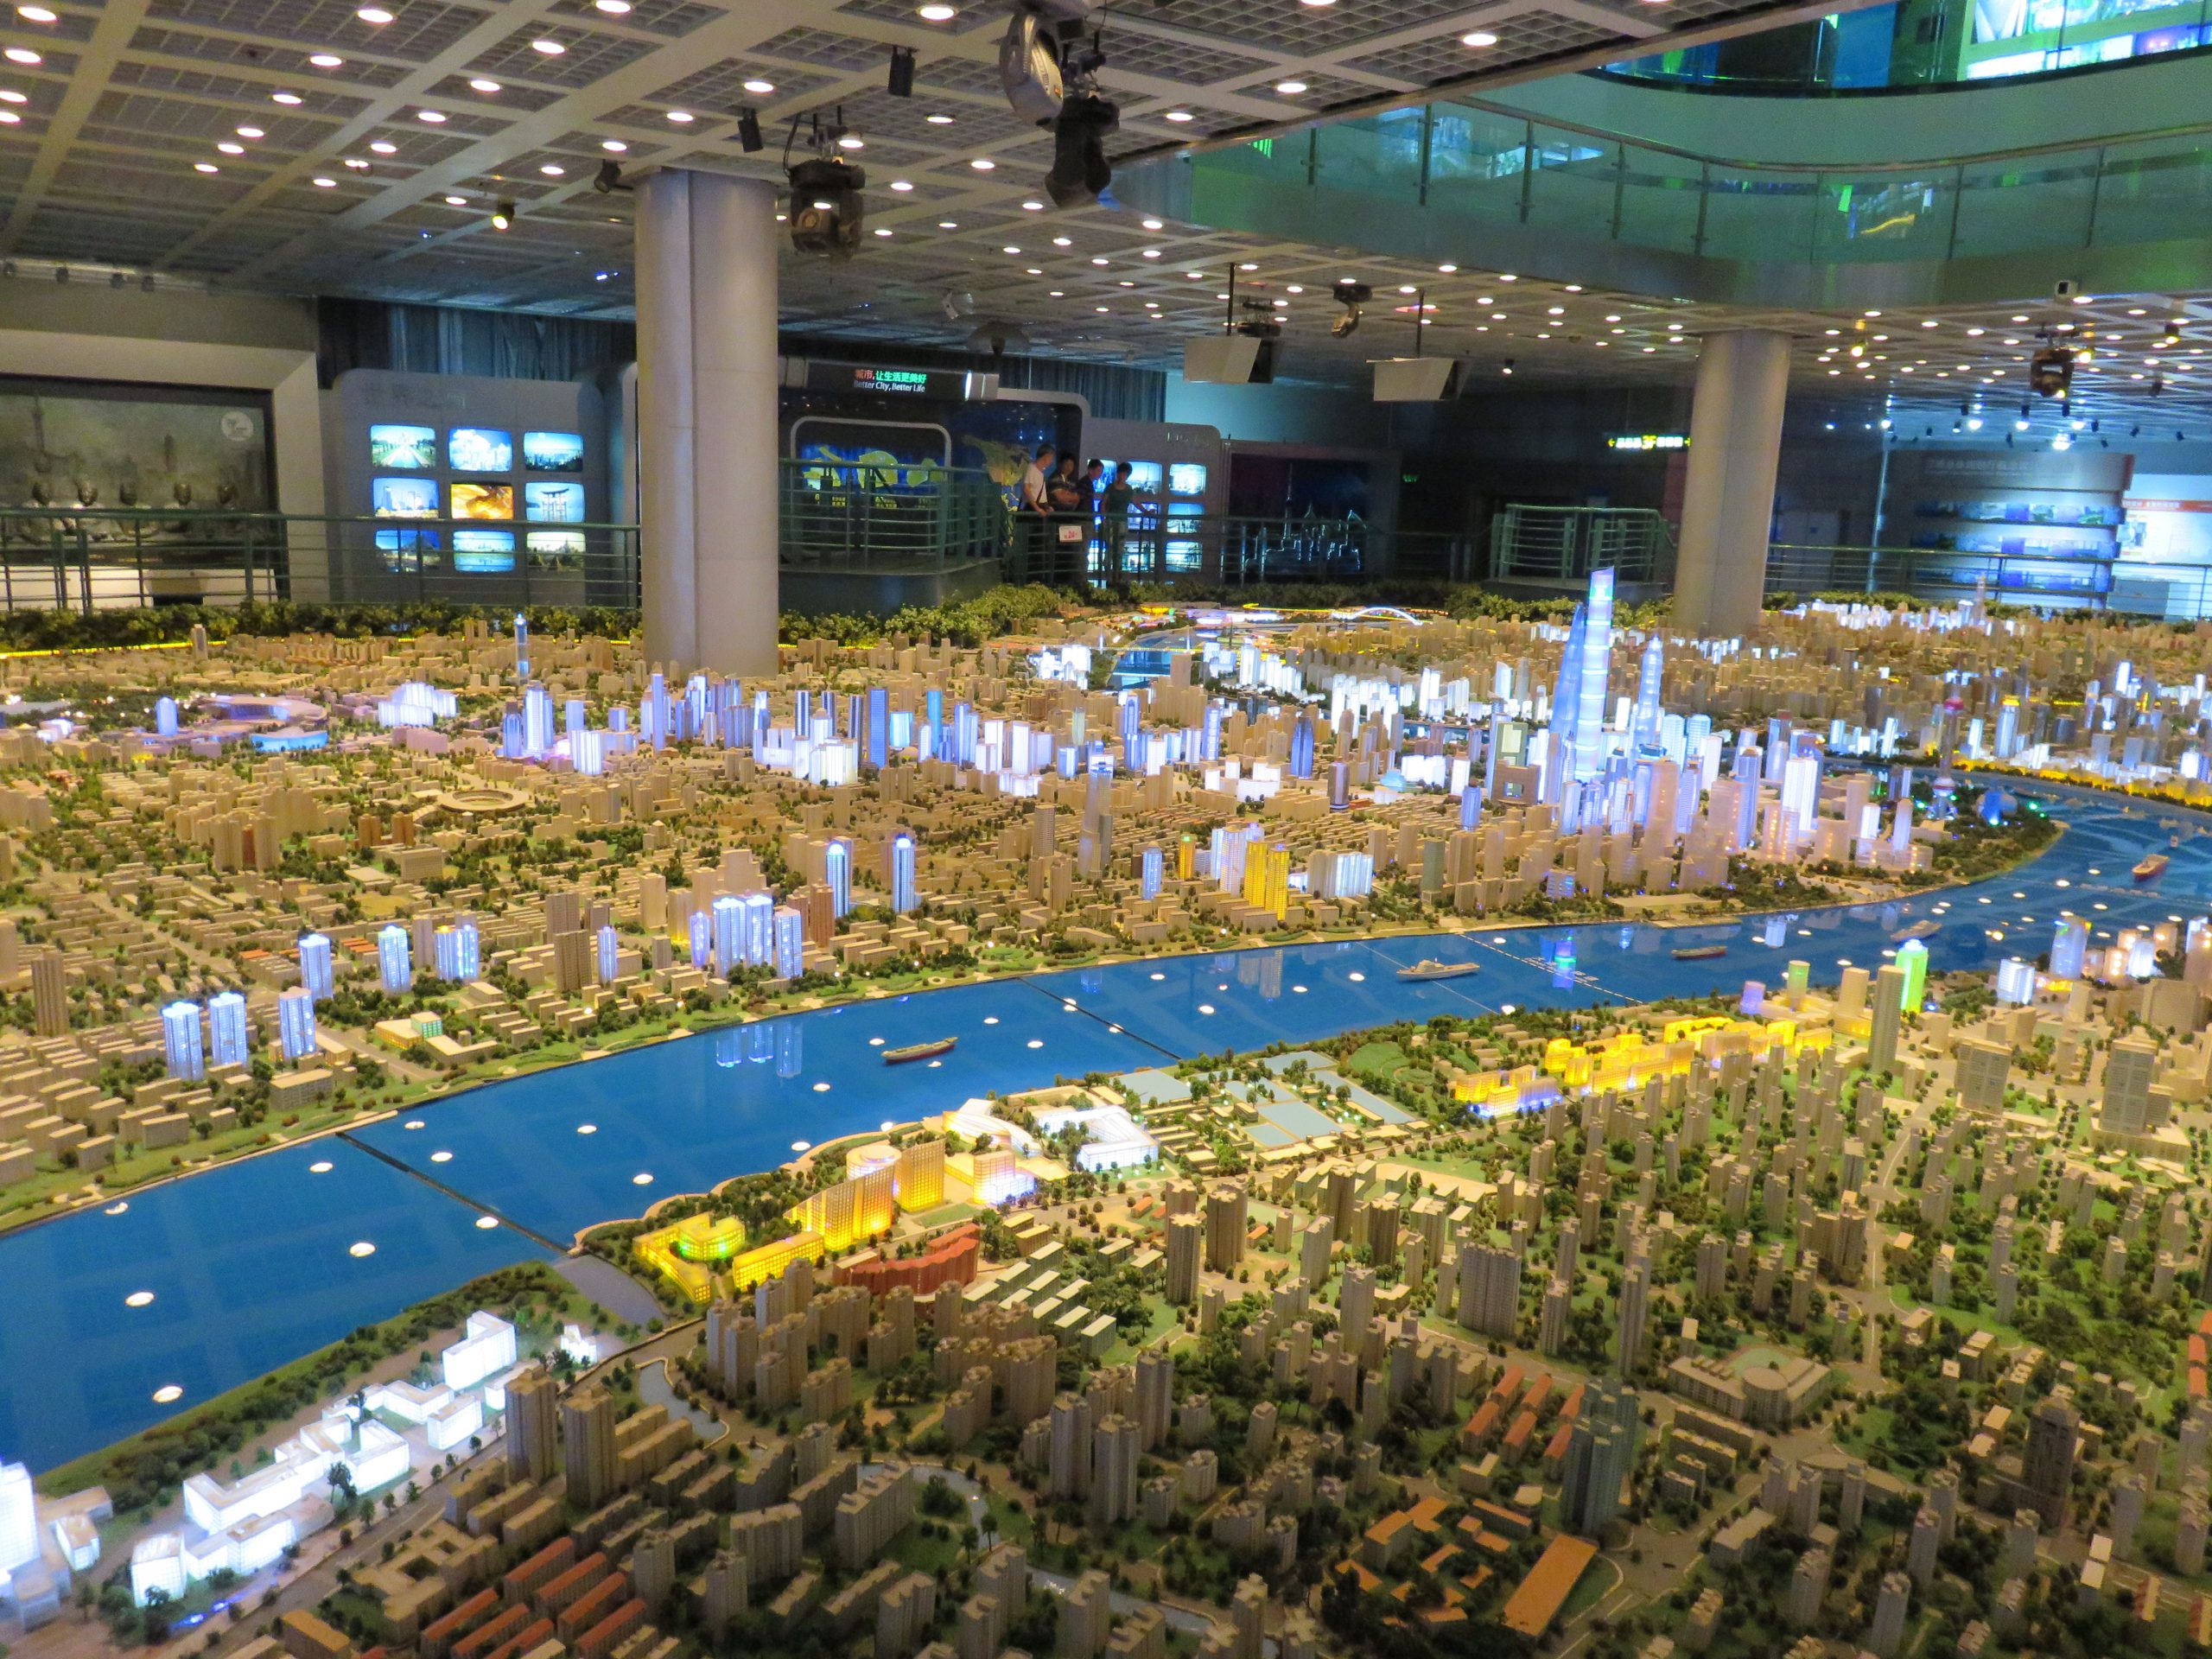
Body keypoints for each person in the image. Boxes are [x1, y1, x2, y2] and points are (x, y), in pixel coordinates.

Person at [1018, 444, 1053, 576]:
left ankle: (1034, 574)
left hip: (1038, 509)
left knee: (1038, 544)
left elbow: (1036, 492)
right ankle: (1032, 574)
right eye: (1051, 458)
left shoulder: (1038, 472)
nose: (1051, 461)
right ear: (1046, 456)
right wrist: (1037, 508)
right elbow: (1026, 489)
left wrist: (1046, 506)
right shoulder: (1032, 469)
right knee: (1034, 544)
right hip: (1033, 511)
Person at [1100, 461, 1135, 575]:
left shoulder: (1128, 489)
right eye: (1120, 473)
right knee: (1110, 546)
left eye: (1124, 474)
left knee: (1119, 547)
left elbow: (1135, 502)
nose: (1121, 476)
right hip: (1112, 520)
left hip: (1121, 522)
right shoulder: (1111, 487)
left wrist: (1146, 511)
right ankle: (1110, 570)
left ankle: (1115, 570)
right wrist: (1103, 519)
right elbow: (1103, 503)